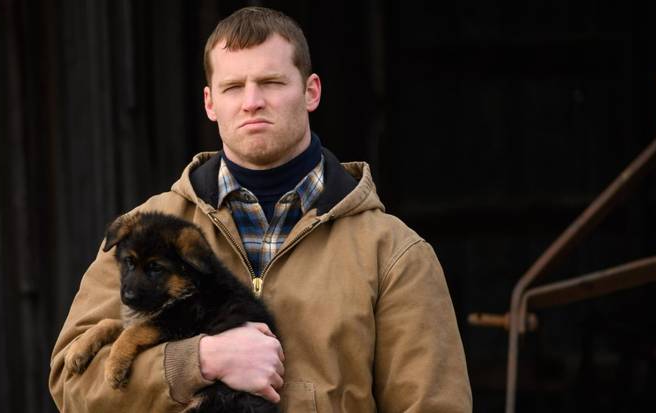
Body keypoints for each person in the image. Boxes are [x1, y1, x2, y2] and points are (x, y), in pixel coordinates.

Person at [49, 6, 471, 412]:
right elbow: (72, 387)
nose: (252, 101)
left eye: (271, 82)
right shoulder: (149, 233)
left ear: (311, 92)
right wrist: (198, 361)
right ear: (210, 102)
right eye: (233, 87)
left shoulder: (392, 252)